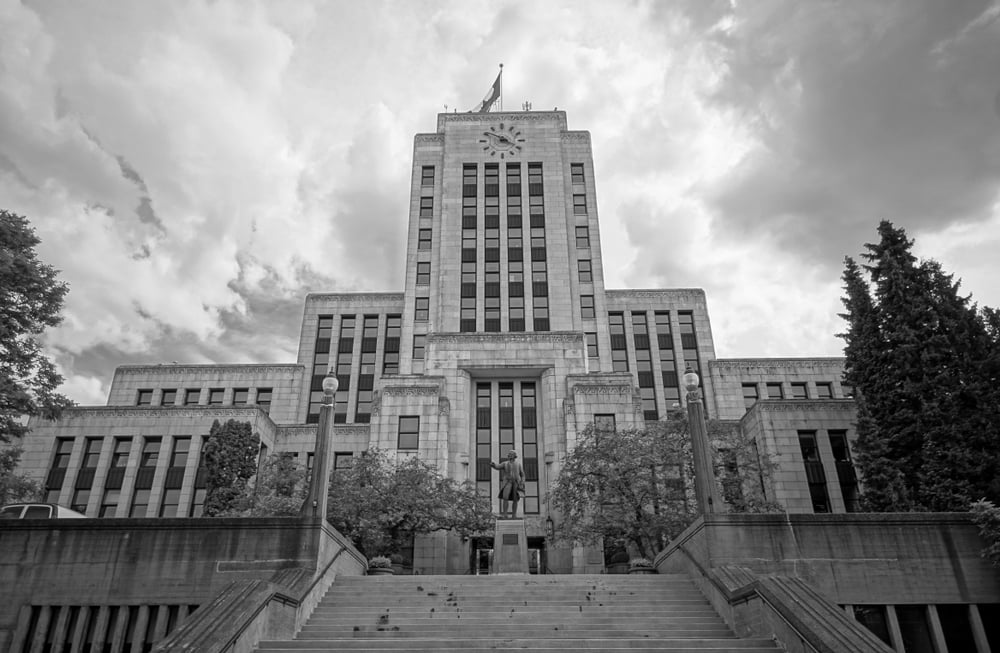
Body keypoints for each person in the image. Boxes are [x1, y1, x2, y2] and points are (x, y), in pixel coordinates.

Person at [490, 450, 525, 518]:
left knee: (515, 499)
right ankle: (505, 514)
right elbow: (498, 466)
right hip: (507, 482)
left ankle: (514, 515)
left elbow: (522, 474)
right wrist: (493, 465)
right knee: (505, 497)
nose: (509, 455)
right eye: (508, 454)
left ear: (514, 456)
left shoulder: (518, 464)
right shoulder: (505, 463)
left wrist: (522, 482)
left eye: (510, 454)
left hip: (516, 482)